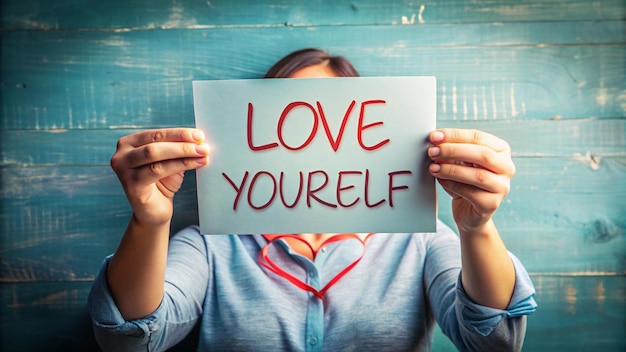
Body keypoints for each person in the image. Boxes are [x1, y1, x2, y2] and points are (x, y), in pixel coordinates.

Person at [88, 48, 537, 352]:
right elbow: (130, 341)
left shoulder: (421, 239)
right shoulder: (210, 244)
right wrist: (148, 220)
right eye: (295, 112)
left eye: (332, 112)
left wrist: (476, 227)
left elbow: (494, 342)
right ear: (259, 131)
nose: (313, 137)